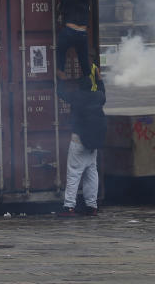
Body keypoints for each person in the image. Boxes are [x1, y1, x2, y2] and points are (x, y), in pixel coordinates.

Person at [56, 64, 106, 216]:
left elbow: (61, 93)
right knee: (91, 173)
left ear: (80, 86)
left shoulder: (77, 96)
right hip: (94, 142)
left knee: (74, 173)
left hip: (79, 140)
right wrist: (99, 77)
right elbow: (103, 91)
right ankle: (92, 206)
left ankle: (69, 207)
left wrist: (62, 79)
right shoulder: (98, 96)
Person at [43, 0, 93, 81]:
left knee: (61, 51)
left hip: (69, 31)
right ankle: (89, 80)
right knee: (84, 60)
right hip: (82, 33)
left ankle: (60, 71)